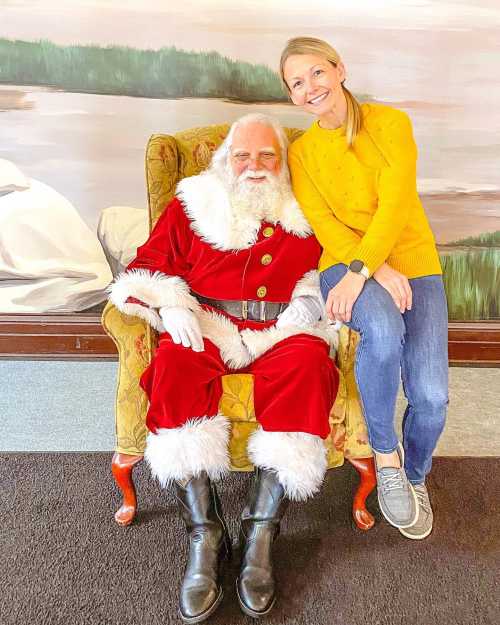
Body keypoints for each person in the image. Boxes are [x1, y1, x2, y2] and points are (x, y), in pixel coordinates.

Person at [109, 113, 339, 622]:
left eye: (266, 156)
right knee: (173, 366)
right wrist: (169, 305)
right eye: (243, 156)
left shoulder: (309, 209)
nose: (254, 166)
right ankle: (205, 530)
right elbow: (146, 268)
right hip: (208, 322)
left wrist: (312, 298)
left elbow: (334, 266)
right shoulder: (192, 203)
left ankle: (260, 530)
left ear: (283, 163)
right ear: (224, 160)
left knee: (308, 366)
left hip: (284, 328)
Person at [280, 37, 448, 540]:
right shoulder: (303, 153)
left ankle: (415, 474)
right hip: (344, 264)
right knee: (381, 327)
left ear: (340, 69)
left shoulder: (391, 124)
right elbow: (325, 225)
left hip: (412, 260)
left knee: (432, 396)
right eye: (296, 83)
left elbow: (395, 207)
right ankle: (386, 455)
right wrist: (366, 271)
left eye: (316, 73)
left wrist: (369, 267)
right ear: (291, 97)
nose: (310, 88)